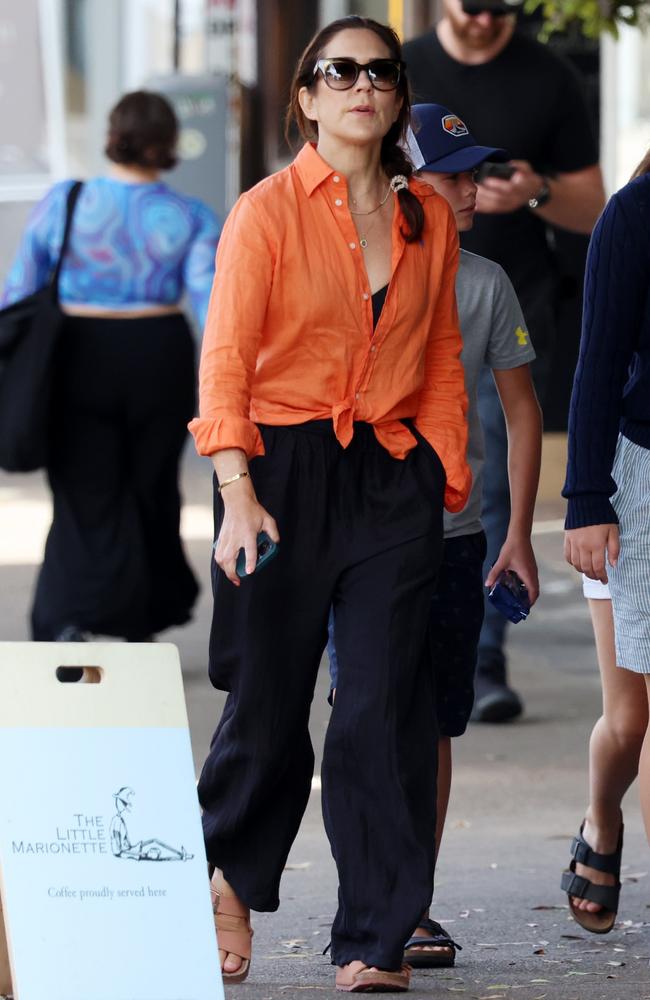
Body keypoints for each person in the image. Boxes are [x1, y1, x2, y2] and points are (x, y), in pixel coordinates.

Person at [189, 16, 470, 994]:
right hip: (279, 472)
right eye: (336, 70)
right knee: (264, 706)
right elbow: (223, 358)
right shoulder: (264, 213)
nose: (359, 84)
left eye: (378, 72)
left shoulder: (425, 215)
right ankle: (227, 875)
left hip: (390, 476)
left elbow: (438, 355)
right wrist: (234, 493)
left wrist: (442, 469)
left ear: (394, 98)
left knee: (379, 708)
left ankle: (374, 933)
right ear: (305, 95)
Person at [328, 102, 542, 966]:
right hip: (353, 539)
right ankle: (369, 898)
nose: (473, 190)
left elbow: (523, 415)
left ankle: (411, 899)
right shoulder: (345, 270)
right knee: (366, 717)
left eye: (475, 175)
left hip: (456, 537)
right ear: (399, 179)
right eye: (454, 175)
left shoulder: (486, 283)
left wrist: (517, 532)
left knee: (436, 723)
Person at [404, 0, 606, 721]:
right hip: (402, 299)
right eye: (475, 3)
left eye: (506, 5)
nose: (489, 17)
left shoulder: (549, 77)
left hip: (507, 298)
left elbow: (597, 204)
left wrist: (536, 192)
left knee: (482, 482)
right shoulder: (399, 67)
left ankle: (480, 648)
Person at [1, 91, 220, 643]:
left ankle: (72, 615)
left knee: (84, 492)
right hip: (159, 356)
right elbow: (210, 303)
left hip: (75, 356)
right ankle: (137, 619)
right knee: (150, 487)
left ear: (111, 135)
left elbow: (21, 289)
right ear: (169, 145)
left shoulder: (66, 201)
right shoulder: (191, 215)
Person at [562, 150, 650, 933]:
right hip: (638, 483)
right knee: (632, 723)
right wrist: (586, 497)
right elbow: (597, 363)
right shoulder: (633, 215)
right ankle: (603, 817)